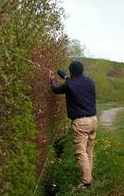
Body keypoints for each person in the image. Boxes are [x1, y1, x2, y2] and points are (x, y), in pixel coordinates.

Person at [50, 60, 98, 189]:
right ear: (82, 71)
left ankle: (86, 183)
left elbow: (55, 89)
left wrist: (52, 79)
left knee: (80, 153)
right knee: (88, 152)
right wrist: (64, 76)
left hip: (81, 123)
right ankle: (88, 179)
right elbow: (74, 82)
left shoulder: (69, 84)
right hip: (93, 120)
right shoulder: (90, 81)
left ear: (71, 72)